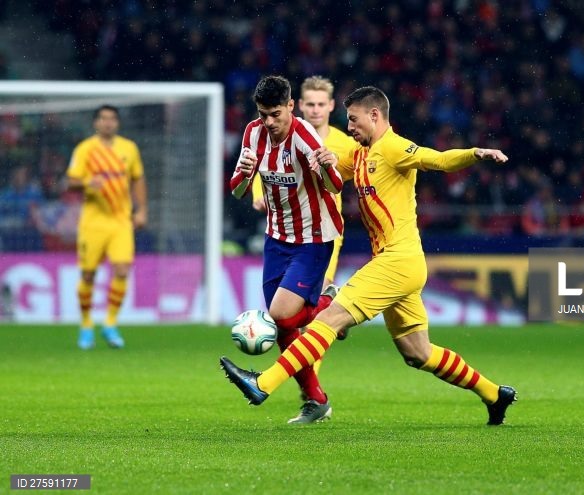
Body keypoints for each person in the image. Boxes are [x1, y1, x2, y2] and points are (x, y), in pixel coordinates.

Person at [221, 86, 518, 426]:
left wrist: (474, 153)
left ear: (374, 115)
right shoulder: (360, 155)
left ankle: (263, 384)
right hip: (396, 263)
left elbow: (435, 159)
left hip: (398, 260)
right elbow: (326, 175)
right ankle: (495, 394)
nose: (349, 128)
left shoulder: (393, 148)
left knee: (328, 320)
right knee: (418, 353)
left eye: (353, 120)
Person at [227, 75, 344, 424]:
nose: (269, 122)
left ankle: (331, 307)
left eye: (275, 114)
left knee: (279, 315)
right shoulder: (253, 134)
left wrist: (325, 166)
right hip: (276, 238)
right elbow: (236, 192)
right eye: (263, 114)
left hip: (313, 238)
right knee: (284, 328)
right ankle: (315, 399)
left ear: (291, 106)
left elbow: (335, 186)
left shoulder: (305, 136)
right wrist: (246, 176)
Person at [66, 105, 148, 350]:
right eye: (103, 119)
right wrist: (87, 182)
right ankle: (86, 324)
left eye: (112, 119)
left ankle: (110, 322)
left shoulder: (129, 148)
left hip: (120, 221)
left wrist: (142, 209)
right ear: (95, 123)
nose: (108, 123)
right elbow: (70, 181)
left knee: (122, 270)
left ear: (117, 123)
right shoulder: (85, 149)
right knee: (88, 274)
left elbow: (138, 178)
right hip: (92, 222)